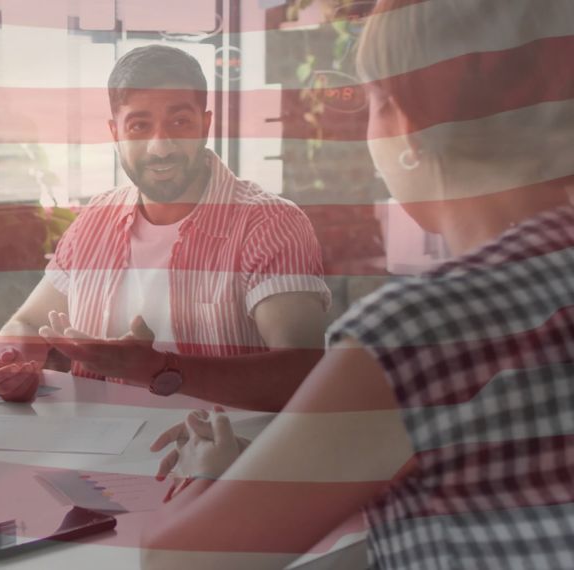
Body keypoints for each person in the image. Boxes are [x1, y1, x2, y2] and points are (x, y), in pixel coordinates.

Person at [142, 1, 574, 568]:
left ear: (407, 125)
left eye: (370, 102)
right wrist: (297, 467)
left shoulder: (420, 330)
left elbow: (176, 562)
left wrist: (211, 476)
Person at [0, 46, 330, 409]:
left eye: (180, 122)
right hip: (94, 450)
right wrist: (14, 364)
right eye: (139, 126)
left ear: (206, 125)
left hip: (220, 456)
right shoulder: (95, 219)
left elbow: (300, 374)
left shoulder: (270, 223)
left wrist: (158, 369)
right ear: (115, 132)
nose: (160, 146)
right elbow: (26, 323)